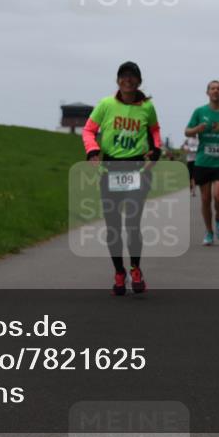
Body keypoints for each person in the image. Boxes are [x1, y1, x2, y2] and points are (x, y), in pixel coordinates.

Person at [82, 61, 162, 295]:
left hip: (138, 169)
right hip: (110, 169)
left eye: (132, 76)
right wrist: (92, 150)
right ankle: (119, 271)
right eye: (123, 76)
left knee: (133, 223)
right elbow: (88, 130)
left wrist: (155, 151)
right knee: (113, 226)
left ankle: (136, 268)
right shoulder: (106, 104)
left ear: (139, 81)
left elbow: (155, 131)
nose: (127, 80)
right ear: (118, 80)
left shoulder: (147, 107)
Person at [185, 80, 219, 246]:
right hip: (203, 161)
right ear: (207, 92)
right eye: (212, 88)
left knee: (218, 197)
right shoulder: (199, 111)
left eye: (218, 89)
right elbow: (187, 131)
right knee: (205, 198)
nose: (215, 91)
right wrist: (197, 129)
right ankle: (209, 232)